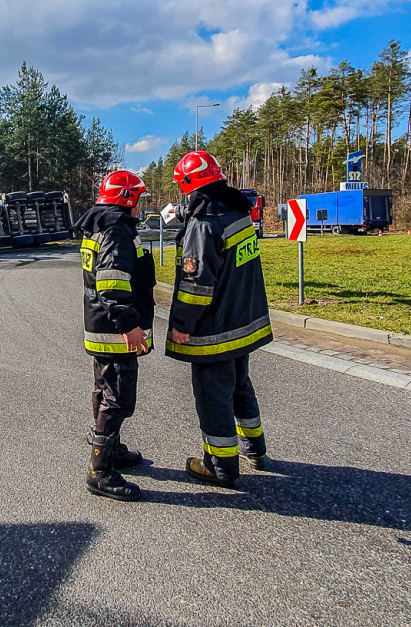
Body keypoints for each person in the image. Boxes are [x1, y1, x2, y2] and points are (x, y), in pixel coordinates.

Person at [164, 150, 273, 488]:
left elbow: (197, 286)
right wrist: (179, 212)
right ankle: (254, 449)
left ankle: (219, 466)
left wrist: (182, 325)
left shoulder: (203, 225)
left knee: (213, 398)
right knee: (241, 385)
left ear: (188, 185)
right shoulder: (236, 210)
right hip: (244, 322)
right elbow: (202, 208)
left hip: (215, 330)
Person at [74, 170, 156, 502]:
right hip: (115, 331)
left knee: (104, 389)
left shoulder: (99, 225)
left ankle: (113, 449)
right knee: (117, 397)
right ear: (128, 199)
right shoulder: (116, 230)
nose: (140, 205)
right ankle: (101, 472)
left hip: (100, 327)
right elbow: (111, 284)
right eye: (139, 198)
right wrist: (129, 326)